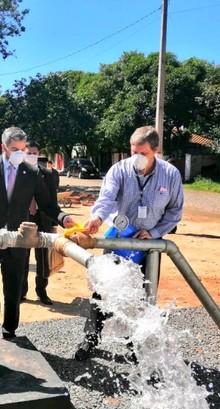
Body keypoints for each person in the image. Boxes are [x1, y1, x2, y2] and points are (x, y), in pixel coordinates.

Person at [74, 125, 184, 361]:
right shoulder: (119, 170)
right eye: (133, 152)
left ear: (156, 149)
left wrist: (154, 232)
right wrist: (97, 217)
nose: (136, 158)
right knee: (102, 290)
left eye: (142, 153)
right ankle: (90, 339)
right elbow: (107, 198)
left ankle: (135, 344)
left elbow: (174, 212)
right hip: (119, 236)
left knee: (144, 294)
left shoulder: (171, 175)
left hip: (150, 244)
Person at [0, 127, 74, 338]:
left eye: (23, 149)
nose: (20, 154)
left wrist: (62, 218)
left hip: (18, 240)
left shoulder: (30, 173)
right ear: (3, 147)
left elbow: (46, 204)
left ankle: (9, 329)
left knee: (13, 288)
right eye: (15, 149)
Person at [20, 140, 58, 305]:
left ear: (39, 153)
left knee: (43, 260)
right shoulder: (16, 173)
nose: (32, 156)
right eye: (28, 153)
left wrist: (54, 225)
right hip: (23, 220)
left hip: (43, 220)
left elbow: (53, 201)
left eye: (34, 153)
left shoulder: (48, 175)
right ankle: (21, 292)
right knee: (22, 258)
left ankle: (42, 292)